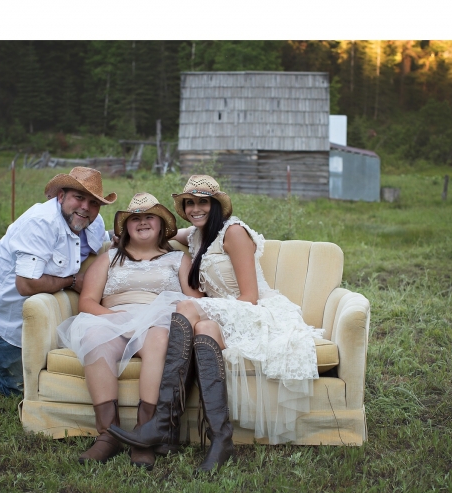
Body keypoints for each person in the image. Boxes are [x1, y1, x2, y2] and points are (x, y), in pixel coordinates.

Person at [110, 175, 325, 472]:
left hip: (257, 312)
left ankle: (162, 423)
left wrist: (202, 306)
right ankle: (221, 440)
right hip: (221, 320)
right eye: (190, 203)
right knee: (204, 328)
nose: (196, 208)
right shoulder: (197, 234)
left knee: (186, 306)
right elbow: (164, 235)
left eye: (203, 202)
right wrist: (116, 238)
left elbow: (249, 297)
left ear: (216, 205)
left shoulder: (233, 232)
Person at [57, 193, 202, 469]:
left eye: (150, 217)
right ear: (126, 227)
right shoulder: (108, 258)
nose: (143, 222)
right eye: (136, 218)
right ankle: (108, 435)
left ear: (161, 225)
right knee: (94, 338)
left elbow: (194, 299)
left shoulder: (177, 259)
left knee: (160, 338)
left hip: (158, 319)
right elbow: (87, 301)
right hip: (112, 317)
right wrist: (115, 318)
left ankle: (143, 435)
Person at [0, 167, 115, 396]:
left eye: (93, 203)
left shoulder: (92, 221)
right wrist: (72, 281)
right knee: (20, 388)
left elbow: (100, 239)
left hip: (30, 315)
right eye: (79, 198)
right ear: (61, 196)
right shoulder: (41, 223)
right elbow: (26, 284)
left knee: (40, 373)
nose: (86, 207)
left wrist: (125, 236)